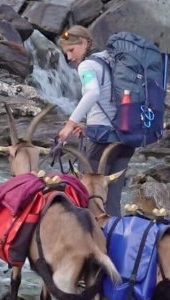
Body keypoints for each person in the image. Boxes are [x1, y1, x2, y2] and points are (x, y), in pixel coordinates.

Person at [57, 25, 135, 217]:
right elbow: (109, 101)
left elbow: (93, 93)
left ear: (85, 43)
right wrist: (86, 125)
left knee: (90, 195)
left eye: (71, 50)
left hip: (102, 139)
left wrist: (70, 124)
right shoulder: (108, 60)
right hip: (126, 136)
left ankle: (91, 240)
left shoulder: (87, 66)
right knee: (113, 197)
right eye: (66, 53)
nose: (69, 57)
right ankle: (114, 238)